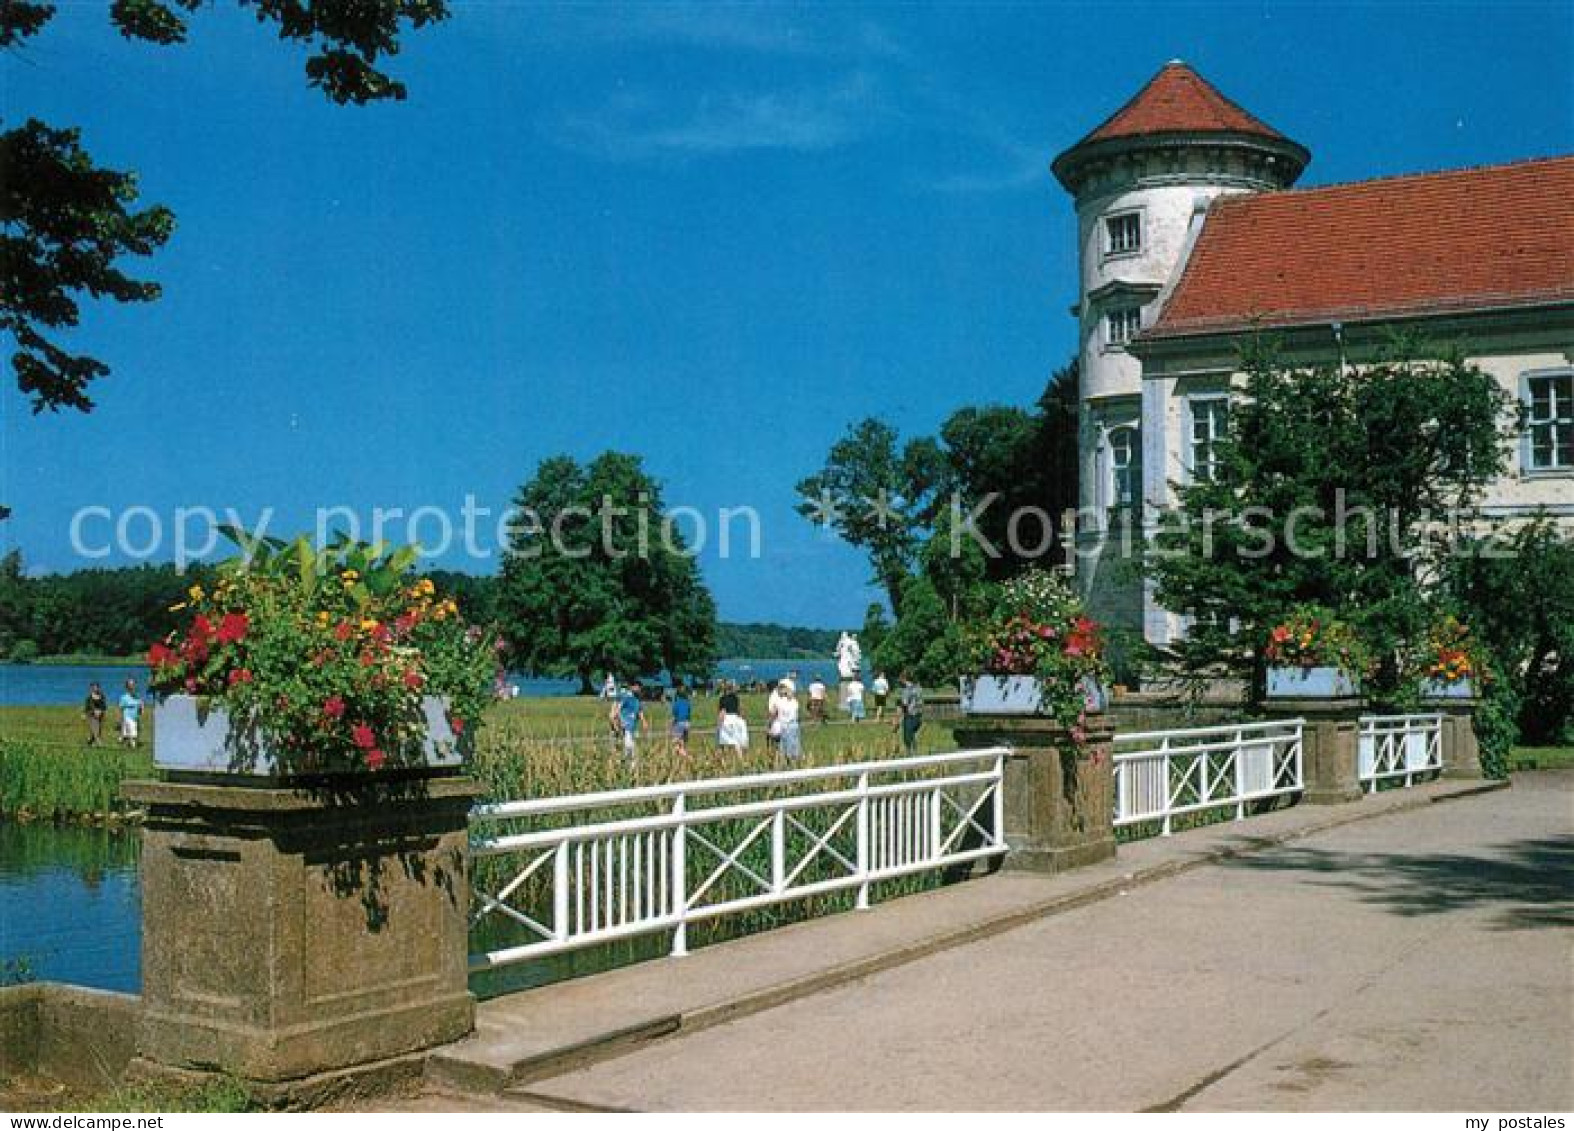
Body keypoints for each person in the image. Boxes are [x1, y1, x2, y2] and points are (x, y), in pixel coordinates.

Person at [610, 679, 644, 760]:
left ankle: (624, 763)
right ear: (632, 687)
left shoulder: (637, 699)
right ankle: (622, 763)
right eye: (637, 687)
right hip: (624, 727)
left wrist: (643, 721)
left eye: (640, 688)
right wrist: (616, 724)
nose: (639, 689)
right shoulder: (625, 697)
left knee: (629, 748)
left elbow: (639, 711)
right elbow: (616, 711)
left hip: (631, 728)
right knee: (627, 748)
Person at [770, 679, 802, 762]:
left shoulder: (779, 701)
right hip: (792, 725)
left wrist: (770, 725)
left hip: (786, 726)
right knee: (793, 747)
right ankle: (793, 762)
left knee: (785, 747)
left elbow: (773, 713)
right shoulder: (794, 701)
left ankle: (787, 762)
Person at [894, 673, 923, 755]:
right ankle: (915, 754)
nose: (899, 683)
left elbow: (904, 705)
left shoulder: (907, 690)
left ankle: (910, 756)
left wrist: (897, 718)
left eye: (900, 680)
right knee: (913, 735)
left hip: (910, 715)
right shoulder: (919, 688)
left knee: (907, 738)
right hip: (918, 716)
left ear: (904, 679)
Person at [717, 682, 749, 753]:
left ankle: (722, 759)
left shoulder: (722, 698)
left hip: (726, 719)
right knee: (736, 742)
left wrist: (719, 725)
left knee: (723, 743)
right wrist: (744, 721)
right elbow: (741, 710)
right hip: (735, 719)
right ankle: (740, 759)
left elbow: (722, 712)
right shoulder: (736, 698)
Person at [117, 679, 144, 749]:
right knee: (133, 733)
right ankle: (133, 747)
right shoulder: (124, 697)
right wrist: (119, 719)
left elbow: (140, 711)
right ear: (127, 687)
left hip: (135, 718)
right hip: (127, 717)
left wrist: (141, 707)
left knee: (132, 733)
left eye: (133, 685)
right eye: (130, 685)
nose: (132, 687)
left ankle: (123, 739)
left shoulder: (137, 697)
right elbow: (120, 709)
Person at [670, 681, 692, 758]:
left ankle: (686, 757)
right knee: (682, 743)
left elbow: (674, 716)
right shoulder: (688, 703)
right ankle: (683, 757)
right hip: (687, 724)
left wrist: (670, 726)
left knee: (675, 743)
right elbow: (688, 714)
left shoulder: (676, 703)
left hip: (679, 723)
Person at [83, 682, 107, 746]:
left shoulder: (102, 696)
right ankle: (100, 743)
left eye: (96, 687)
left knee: (98, 730)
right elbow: (87, 707)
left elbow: (104, 706)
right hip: (91, 716)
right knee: (95, 730)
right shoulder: (89, 698)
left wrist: (100, 711)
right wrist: (85, 714)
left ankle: (90, 742)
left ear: (98, 688)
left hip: (100, 715)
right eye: (93, 687)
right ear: (91, 688)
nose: (94, 689)